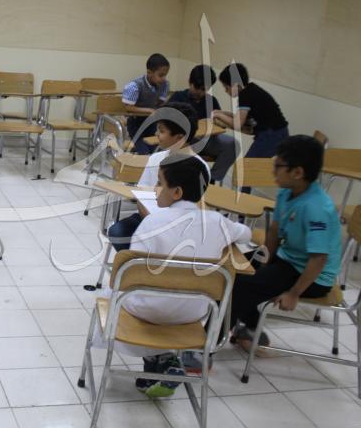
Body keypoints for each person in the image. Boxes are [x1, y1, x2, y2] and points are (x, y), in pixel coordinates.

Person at [105, 154, 252, 398]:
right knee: (160, 299)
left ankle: (158, 358)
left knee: (112, 293)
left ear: (176, 192)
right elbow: (246, 234)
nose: (155, 189)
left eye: (160, 183)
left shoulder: (152, 222)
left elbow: (131, 273)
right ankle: (162, 361)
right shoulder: (217, 222)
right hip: (194, 313)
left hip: (146, 312)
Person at [229, 135, 342, 349]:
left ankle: (208, 348)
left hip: (312, 276)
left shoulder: (317, 208)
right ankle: (250, 328)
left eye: (278, 166)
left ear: (297, 172)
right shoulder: (287, 192)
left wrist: (294, 293)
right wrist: (264, 260)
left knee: (242, 286)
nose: (273, 171)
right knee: (234, 268)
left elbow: (319, 258)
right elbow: (274, 230)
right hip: (287, 259)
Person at [106, 103, 208, 252]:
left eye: (161, 131)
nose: (156, 134)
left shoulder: (199, 167)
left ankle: (152, 261)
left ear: (180, 137)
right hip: (147, 217)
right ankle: (140, 262)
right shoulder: (156, 158)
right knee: (117, 232)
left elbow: (195, 208)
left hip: (180, 225)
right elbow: (142, 195)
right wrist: (152, 222)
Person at [168, 64, 239, 183]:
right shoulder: (178, 97)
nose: (201, 92)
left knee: (233, 144)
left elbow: (219, 122)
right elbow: (166, 121)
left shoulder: (211, 100)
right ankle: (183, 180)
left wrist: (220, 123)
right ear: (190, 82)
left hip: (207, 140)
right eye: (198, 88)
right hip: (184, 141)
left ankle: (211, 178)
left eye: (204, 89)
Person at [212, 62, 288, 158]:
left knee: (248, 165)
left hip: (272, 134)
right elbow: (240, 118)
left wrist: (218, 115)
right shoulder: (250, 90)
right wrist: (222, 113)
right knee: (253, 164)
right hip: (278, 132)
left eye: (226, 87)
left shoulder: (245, 95)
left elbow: (237, 123)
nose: (226, 91)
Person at [121, 53, 171, 154]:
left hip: (151, 122)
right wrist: (149, 110)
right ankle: (138, 151)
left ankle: (138, 150)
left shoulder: (164, 84)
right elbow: (129, 107)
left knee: (155, 151)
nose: (163, 78)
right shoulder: (134, 86)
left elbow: (160, 103)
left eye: (165, 75)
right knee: (144, 152)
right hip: (135, 123)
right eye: (160, 75)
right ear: (149, 72)